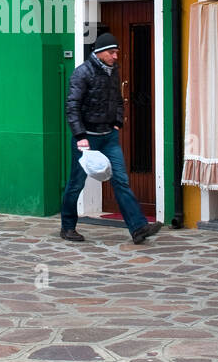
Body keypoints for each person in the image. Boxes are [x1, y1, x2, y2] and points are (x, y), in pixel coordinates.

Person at [59, 33, 162, 245]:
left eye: (116, 52)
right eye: (111, 52)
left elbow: (117, 99)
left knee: (121, 180)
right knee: (76, 183)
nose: (116, 56)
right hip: (86, 138)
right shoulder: (82, 73)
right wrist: (80, 136)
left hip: (109, 137)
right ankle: (67, 227)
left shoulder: (113, 72)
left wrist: (117, 123)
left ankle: (138, 228)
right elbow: (72, 106)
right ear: (99, 53)